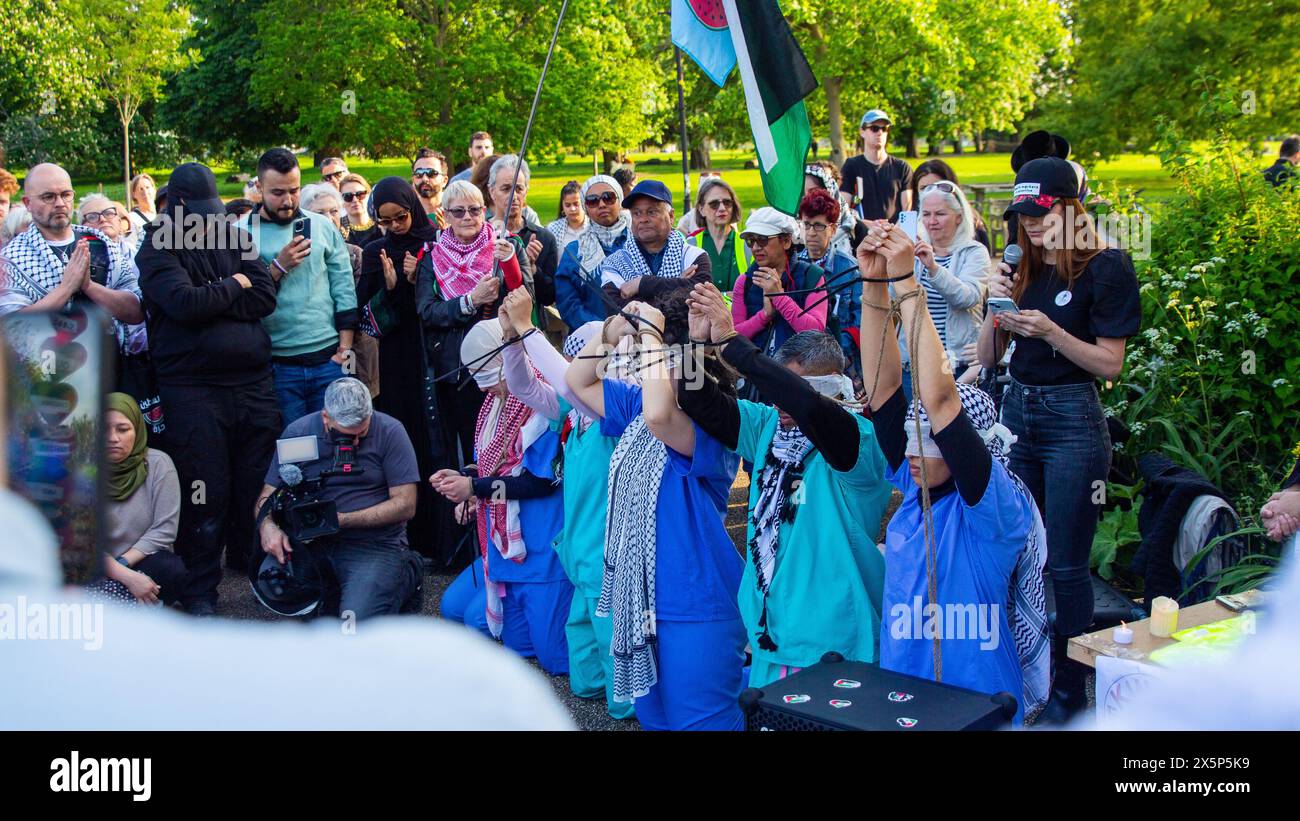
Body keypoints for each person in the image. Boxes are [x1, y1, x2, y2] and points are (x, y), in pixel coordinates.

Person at [858, 220, 1047, 725]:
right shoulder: (915, 488)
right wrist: (873, 285)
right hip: (906, 703)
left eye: (932, 438)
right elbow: (880, 391)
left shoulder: (995, 509)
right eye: (912, 437)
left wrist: (908, 285)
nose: (914, 452)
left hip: (979, 711)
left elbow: (942, 402)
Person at [976, 156, 1141, 723]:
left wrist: (1050, 331)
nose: (1034, 225)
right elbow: (985, 358)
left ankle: (1070, 684)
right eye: (1025, 215)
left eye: (1045, 214)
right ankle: (1024, 665)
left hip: (1072, 419)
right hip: (1018, 411)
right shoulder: (1021, 267)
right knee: (1021, 549)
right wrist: (992, 311)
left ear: (1073, 209)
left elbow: (1109, 364)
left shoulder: (1107, 266)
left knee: (1066, 563)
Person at [681, 288, 893, 688]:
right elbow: (697, 399)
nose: (778, 401)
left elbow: (810, 407)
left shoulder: (858, 439)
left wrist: (733, 342)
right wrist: (695, 347)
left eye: (785, 389)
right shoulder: (767, 426)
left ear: (832, 385)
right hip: (770, 632)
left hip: (833, 644)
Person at [566, 288, 746, 731]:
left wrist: (652, 337)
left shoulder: (719, 423)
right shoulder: (638, 410)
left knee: (701, 722)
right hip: (640, 602)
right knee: (656, 719)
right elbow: (577, 383)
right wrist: (615, 330)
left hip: (695, 603)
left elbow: (662, 416)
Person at [134, 162, 281, 614]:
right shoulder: (157, 245)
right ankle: (200, 591)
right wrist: (234, 283)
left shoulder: (234, 236)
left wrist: (218, 293)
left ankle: (254, 566)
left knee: (256, 481)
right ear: (176, 205)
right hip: (193, 389)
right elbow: (183, 304)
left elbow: (264, 297)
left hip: (253, 383)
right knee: (205, 488)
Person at [491, 288, 634, 718]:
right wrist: (514, 339)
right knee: (583, 655)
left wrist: (527, 327)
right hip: (577, 552)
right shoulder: (570, 413)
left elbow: (566, 384)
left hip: (608, 557)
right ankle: (599, 693)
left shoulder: (618, 410)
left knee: (615, 657)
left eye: (583, 361)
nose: (573, 369)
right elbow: (521, 384)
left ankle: (630, 709)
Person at [431, 318, 572, 673]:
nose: (485, 391)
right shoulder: (495, 403)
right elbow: (492, 465)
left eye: (490, 380)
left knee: (553, 658)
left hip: (540, 549)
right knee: (454, 610)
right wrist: (466, 481)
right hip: (504, 543)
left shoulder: (544, 403)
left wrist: (475, 490)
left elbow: (541, 484)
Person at [257, 377, 423, 620]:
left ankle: (406, 574)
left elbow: (406, 505)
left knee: (356, 624)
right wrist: (268, 527)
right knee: (274, 584)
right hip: (311, 541)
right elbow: (266, 497)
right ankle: (333, 594)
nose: (354, 442)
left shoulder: (390, 431)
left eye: (361, 434)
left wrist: (341, 519)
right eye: (345, 435)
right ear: (326, 418)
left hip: (372, 544)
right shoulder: (299, 433)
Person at [356, 177, 442, 560]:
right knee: (403, 439)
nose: (395, 227)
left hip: (432, 355)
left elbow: (445, 302)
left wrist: (416, 280)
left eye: (401, 217)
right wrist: (391, 287)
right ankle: (409, 538)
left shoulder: (435, 241)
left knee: (435, 439)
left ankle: (442, 539)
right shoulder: (376, 252)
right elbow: (366, 316)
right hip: (396, 360)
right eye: (385, 221)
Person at [240, 148, 358, 422]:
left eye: (294, 190)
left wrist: (345, 349)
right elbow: (242, 302)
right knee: (293, 450)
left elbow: (344, 288)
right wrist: (278, 267)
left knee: (336, 444)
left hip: (329, 358)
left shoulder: (321, 226)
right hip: (277, 365)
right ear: (259, 187)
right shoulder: (241, 233)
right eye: (277, 193)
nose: (288, 200)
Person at [415, 179, 522, 463]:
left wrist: (510, 263)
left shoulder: (506, 245)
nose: (467, 217)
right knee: (468, 450)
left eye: (474, 210)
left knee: (505, 447)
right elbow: (427, 311)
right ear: (446, 215)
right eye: (458, 211)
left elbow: (526, 296)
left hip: (501, 363)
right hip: (455, 369)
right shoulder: (432, 256)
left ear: (484, 211)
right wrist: (470, 301)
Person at [0, 165, 144, 354]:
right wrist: (66, 288)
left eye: (66, 194)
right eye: (48, 197)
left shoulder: (100, 243)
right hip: (48, 375)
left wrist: (90, 287)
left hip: (114, 369)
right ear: (27, 203)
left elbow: (137, 311)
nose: (60, 203)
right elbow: (13, 330)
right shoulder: (11, 259)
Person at [93, 393, 192, 607]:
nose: (113, 438)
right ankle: (126, 604)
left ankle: (113, 602)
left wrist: (125, 565)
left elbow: (164, 530)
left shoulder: (158, 464)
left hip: (139, 560)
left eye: (122, 429)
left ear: (137, 430)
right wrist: (124, 576)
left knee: (171, 569)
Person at [899, 179, 990, 398]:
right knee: (914, 430)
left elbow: (967, 297)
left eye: (940, 214)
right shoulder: (913, 250)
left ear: (959, 216)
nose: (932, 221)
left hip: (956, 364)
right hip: (914, 363)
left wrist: (933, 267)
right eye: (927, 214)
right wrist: (896, 262)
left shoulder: (974, 252)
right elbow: (895, 301)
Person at [303, 183, 379, 398]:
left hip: (355, 348)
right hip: (315, 349)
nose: (328, 218)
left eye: (333, 211)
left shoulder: (356, 254)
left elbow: (356, 301)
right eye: (320, 213)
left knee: (357, 400)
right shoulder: (298, 255)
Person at [730, 207, 827, 361]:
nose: (755, 247)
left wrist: (780, 298)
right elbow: (734, 336)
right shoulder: (744, 281)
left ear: (787, 241)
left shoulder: (812, 276)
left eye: (762, 239)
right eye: (750, 240)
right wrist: (764, 316)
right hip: (755, 374)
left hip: (801, 376)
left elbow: (816, 331)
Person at [599, 180, 710, 311]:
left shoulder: (694, 256)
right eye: (637, 213)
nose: (643, 219)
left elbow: (703, 297)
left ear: (671, 216)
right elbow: (618, 310)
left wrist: (642, 284)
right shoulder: (614, 264)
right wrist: (677, 284)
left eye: (651, 212)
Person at [797, 188, 863, 389]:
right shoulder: (794, 266)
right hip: (799, 362)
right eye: (806, 224)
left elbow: (859, 321)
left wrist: (837, 355)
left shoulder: (850, 268)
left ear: (833, 229)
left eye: (818, 226)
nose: (810, 233)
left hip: (840, 364)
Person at [554, 174, 631, 330]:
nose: (601, 204)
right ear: (586, 208)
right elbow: (568, 304)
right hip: (592, 340)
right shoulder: (574, 252)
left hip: (641, 335)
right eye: (593, 201)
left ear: (620, 200)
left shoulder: (639, 242)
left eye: (608, 197)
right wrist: (603, 330)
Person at [487, 155, 556, 309]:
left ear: (526, 191)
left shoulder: (544, 238)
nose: (514, 196)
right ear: (492, 192)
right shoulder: (480, 236)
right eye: (506, 189)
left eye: (519, 188)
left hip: (530, 324)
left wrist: (532, 269)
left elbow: (549, 297)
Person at [839, 109, 913, 221]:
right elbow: (843, 209)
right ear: (862, 131)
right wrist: (868, 227)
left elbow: (907, 212)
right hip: (863, 235)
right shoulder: (851, 166)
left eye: (884, 129)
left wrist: (893, 233)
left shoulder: (902, 167)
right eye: (874, 128)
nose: (880, 133)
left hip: (894, 234)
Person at [910, 158, 991, 252]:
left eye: (937, 186)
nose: (931, 193)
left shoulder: (974, 226)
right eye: (924, 188)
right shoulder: (910, 224)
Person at [687, 177, 750, 294]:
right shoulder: (690, 246)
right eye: (714, 204)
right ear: (701, 209)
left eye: (727, 203)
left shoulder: (748, 245)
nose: (722, 208)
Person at [804, 160, 867, 258]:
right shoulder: (790, 230)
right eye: (802, 193)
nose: (806, 198)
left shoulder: (854, 227)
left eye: (813, 192)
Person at [545, 179, 587, 257]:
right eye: (568, 205)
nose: (572, 209)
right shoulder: (553, 230)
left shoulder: (593, 227)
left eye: (576, 204)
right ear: (562, 207)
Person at [412, 147, 449, 229]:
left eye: (431, 173)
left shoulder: (457, 211)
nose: (424, 179)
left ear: (444, 181)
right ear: (413, 179)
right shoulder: (407, 215)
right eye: (419, 173)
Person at [339, 172, 379, 247]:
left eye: (360, 194)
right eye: (348, 196)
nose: (355, 200)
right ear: (341, 200)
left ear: (369, 195)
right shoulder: (337, 228)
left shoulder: (382, 224)